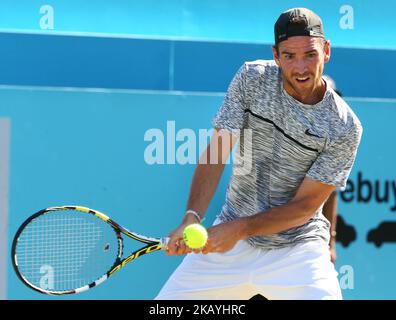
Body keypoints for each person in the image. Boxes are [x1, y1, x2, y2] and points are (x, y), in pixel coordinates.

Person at [156, 7, 363, 300]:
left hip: (298, 250)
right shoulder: (251, 78)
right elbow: (216, 154)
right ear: (276, 55)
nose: (301, 68)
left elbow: (305, 206)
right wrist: (192, 217)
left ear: (326, 51)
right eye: (289, 56)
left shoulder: (344, 127)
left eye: (310, 55)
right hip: (230, 240)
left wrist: (240, 229)